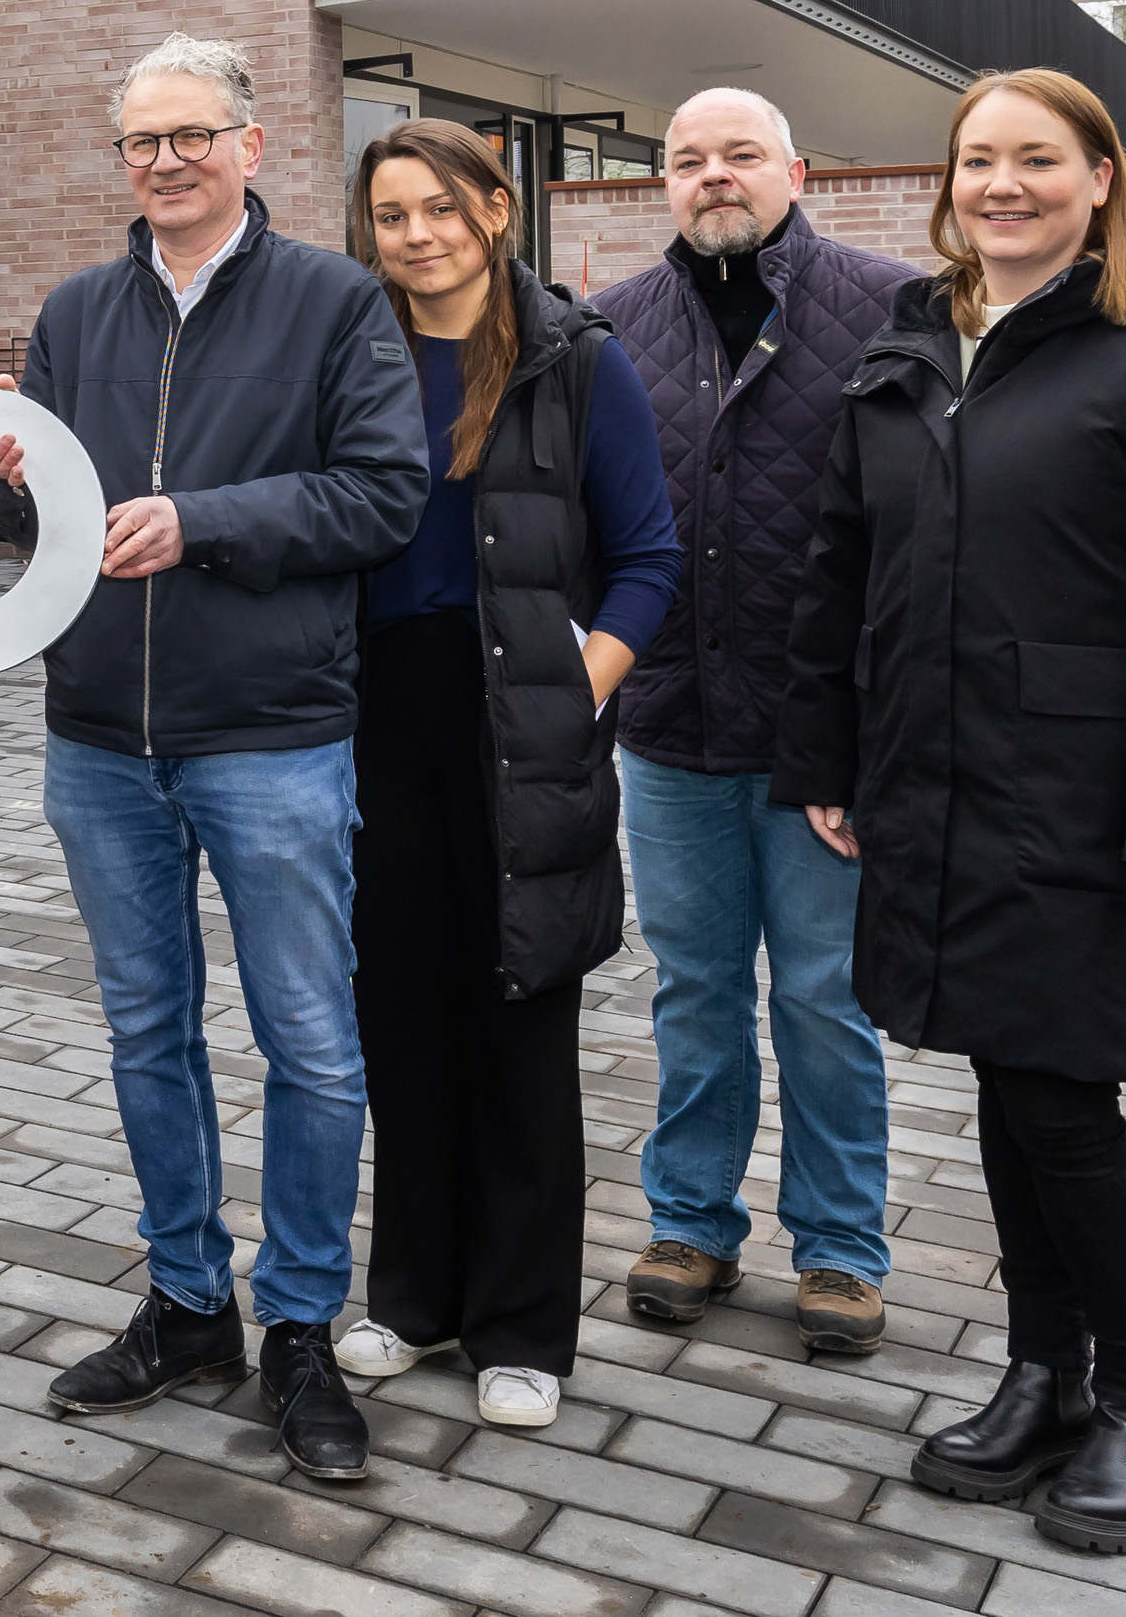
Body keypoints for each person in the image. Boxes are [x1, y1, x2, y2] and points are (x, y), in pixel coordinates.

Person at [776, 69, 1126, 1556]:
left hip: (1085, 794)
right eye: (977, 159)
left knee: (1062, 1103)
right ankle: (1040, 1375)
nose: (1001, 184)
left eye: (1035, 159)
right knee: (1009, 1084)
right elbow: (838, 571)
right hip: (936, 780)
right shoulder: (911, 344)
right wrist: (825, 753)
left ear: (1100, 177)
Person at [0, 34, 426, 1481]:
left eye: (190, 133)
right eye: (138, 139)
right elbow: (48, 533)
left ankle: (298, 1324)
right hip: (100, 739)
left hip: (272, 738)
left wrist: (201, 517)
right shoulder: (71, 312)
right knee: (143, 1034)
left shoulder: (333, 302)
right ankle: (186, 1301)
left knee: (308, 1041)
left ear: (249, 146)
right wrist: (2, 490)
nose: (162, 159)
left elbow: (380, 493)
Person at [329, 121, 679, 1430]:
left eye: (438, 208)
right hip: (378, 721)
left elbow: (646, 553)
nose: (415, 234)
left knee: (519, 1018)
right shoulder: (350, 350)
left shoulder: (574, 360)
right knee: (401, 1018)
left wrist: (577, 685)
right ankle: (413, 1298)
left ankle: (523, 1324)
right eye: (389, 215)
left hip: (520, 722)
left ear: (492, 211)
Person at [593, 89, 920, 1354]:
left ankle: (839, 1248)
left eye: (738, 156)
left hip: (820, 738)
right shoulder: (612, 324)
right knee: (694, 990)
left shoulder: (891, 307)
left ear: (794, 166)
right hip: (671, 725)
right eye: (686, 161)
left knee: (827, 999)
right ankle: (689, 1223)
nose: (712, 177)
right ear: (660, 183)